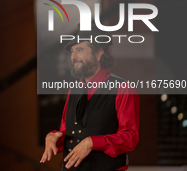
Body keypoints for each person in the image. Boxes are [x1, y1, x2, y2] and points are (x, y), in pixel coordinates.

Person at [40, 24, 140, 171]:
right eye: (72, 51)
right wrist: (53, 137)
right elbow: (67, 131)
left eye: (79, 50)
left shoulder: (123, 88)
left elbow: (130, 138)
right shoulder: (73, 90)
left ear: (98, 54)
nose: (73, 56)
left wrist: (93, 142)